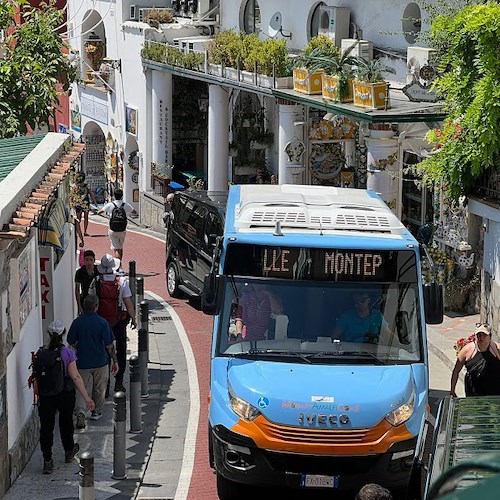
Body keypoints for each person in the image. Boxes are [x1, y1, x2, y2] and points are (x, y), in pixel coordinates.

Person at [35, 320, 95, 474]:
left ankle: (47, 460)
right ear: (63, 334)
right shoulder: (67, 353)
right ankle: (69, 451)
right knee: (66, 422)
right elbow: (75, 377)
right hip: (65, 393)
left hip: (46, 395)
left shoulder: (41, 352)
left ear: (48, 333)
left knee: (46, 427)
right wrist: (87, 398)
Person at [67, 295, 118, 429]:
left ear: (84, 307)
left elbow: (70, 341)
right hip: (100, 361)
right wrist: (115, 360)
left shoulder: (77, 322)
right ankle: (96, 410)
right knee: (99, 388)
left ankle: (80, 412)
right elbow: (109, 345)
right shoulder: (102, 322)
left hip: (82, 361)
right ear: (96, 306)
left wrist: (80, 347)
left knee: (80, 388)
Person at [91, 254, 137, 392]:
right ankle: (119, 381)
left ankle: (105, 384)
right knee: (121, 350)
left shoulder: (96, 281)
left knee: (104, 350)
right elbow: (128, 303)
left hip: (102, 321)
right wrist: (134, 318)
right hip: (119, 320)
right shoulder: (122, 281)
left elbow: (91, 301)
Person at [451, 324, 500, 397]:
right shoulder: (467, 350)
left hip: (495, 392)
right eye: (479, 335)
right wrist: (452, 390)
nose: (481, 337)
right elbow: (456, 371)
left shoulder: (497, 349)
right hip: (474, 393)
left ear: (490, 336)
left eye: (484, 335)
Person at [97, 188, 137, 261]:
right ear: (122, 196)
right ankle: (120, 264)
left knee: (116, 249)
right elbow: (134, 212)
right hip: (122, 229)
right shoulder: (125, 205)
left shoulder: (110, 205)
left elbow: (99, 212)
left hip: (113, 229)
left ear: (114, 196)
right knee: (120, 247)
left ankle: (118, 266)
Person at [71, 172, 97, 247]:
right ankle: (84, 231)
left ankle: (80, 230)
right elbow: (91, 194)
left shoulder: (75, 186)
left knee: (79, 218)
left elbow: (72, 195)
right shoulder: (85, 186)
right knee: (85, 217)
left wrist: (72, 202)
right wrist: (95, 202)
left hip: (78, 203)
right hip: (85, 203)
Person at [74, 249, 99, 315]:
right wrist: (79, 305)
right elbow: (77, 289)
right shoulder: (79, 272)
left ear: (94, 260)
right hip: (85, 300)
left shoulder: (98, 270)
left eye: (91, 260)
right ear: (84, 260)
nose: (89, 262)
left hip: (97, 300)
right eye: (87, 260)